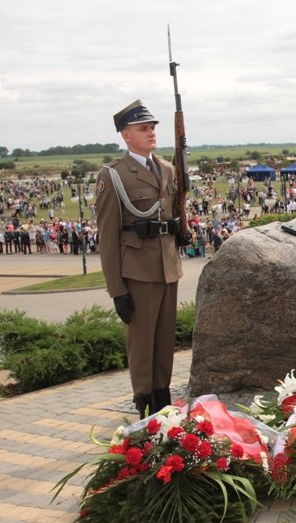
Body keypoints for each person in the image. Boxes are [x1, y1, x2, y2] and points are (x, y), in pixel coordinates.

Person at [95, 100, 184, 419]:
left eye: (152, 127)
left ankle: (163, 395)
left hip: (167, 266)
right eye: (143, 128)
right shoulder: (114, 175)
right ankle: (144, 401)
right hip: (137, 270)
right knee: (142, 342)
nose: (151, 132)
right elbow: (107, 237)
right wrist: (117, 289)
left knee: (164, 340)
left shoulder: (167, 168)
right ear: (126, 135)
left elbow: (172, 213)